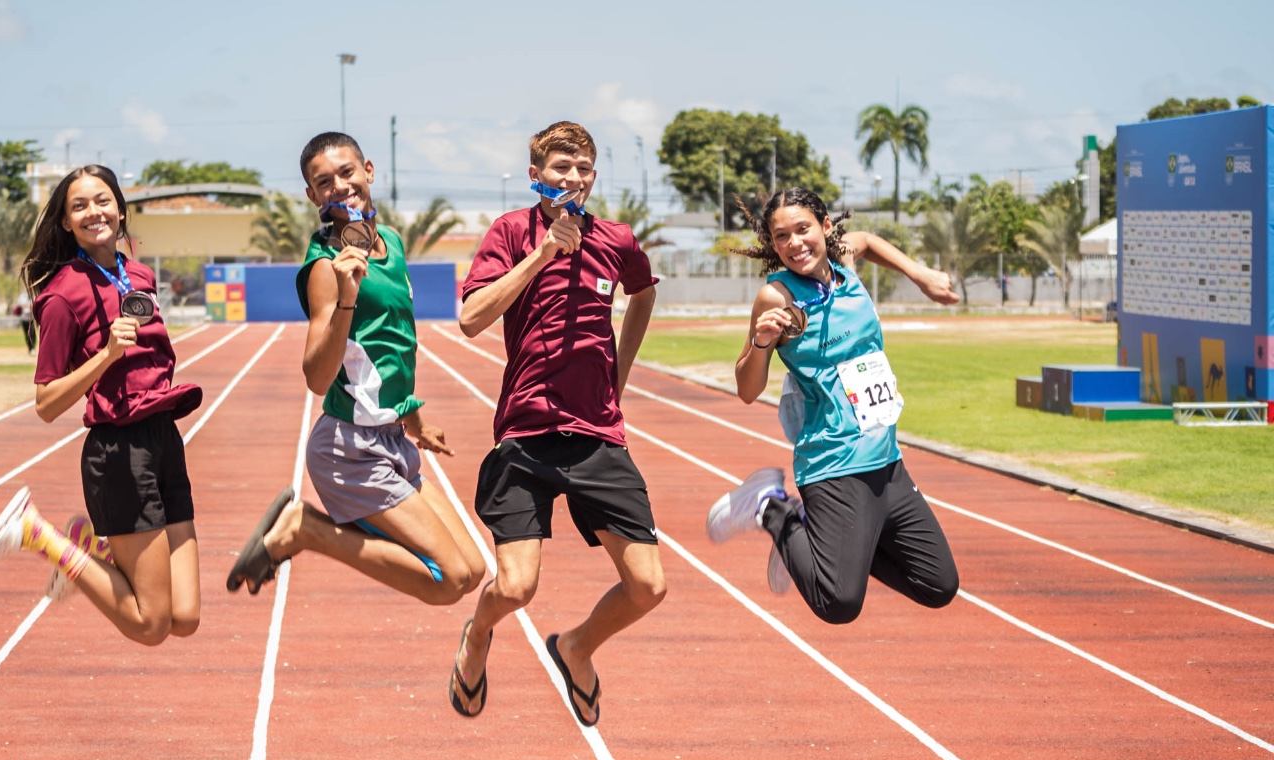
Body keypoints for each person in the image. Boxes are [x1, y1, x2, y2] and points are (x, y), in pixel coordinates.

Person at [449, 120, 664, 726]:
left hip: (597, 433)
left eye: (583, 169)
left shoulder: (616, 239)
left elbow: (643, 293)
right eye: (560, 169)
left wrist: (618, 375)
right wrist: (543, 254)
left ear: (593, 175)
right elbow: (470, 319)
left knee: (649, 586)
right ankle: (478, 633)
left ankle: (576, 646)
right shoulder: (512, 231)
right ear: (536, 176)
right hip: (526, 431)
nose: (573, 178)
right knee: (516, 589)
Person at [226, 132, 485, 624]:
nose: (339, 186)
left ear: (368, 170)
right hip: (349, 450)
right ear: (312, 196)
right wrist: (346, 295)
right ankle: (307, 530)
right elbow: (317, 378)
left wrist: (414, 421)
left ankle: (309, 529)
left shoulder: (390, 242)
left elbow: (390, 350)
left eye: (346, 173)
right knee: (447, 580)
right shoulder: (325, 266)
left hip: (391, 437)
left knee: (471, 570)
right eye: (323, 182)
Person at [0, 164, 203, 646]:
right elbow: (46, 403)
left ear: (120, 207)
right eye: (79, 206)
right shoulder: (61, 294)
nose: (94, 212)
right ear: (67, 223)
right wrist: (106, 356)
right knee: (151, 626)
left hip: (164, 440)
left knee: (186, 616)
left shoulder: (140, 275)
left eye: (102, 200)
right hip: (119, 453)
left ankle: (89, 548)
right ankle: (40, 534)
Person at [705, 187, 961, 625]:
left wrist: (920, 274)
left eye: (802, 229)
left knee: (937, 585)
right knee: (838, 603)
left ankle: (816, 532)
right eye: (781, 236)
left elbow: (866, 240)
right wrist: (761, 342)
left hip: (886, 460)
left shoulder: (844, 261)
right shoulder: (776, 297)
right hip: (834, 463)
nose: (794, 243)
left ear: (825, 227)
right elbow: (748, 389)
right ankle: (773, 508)